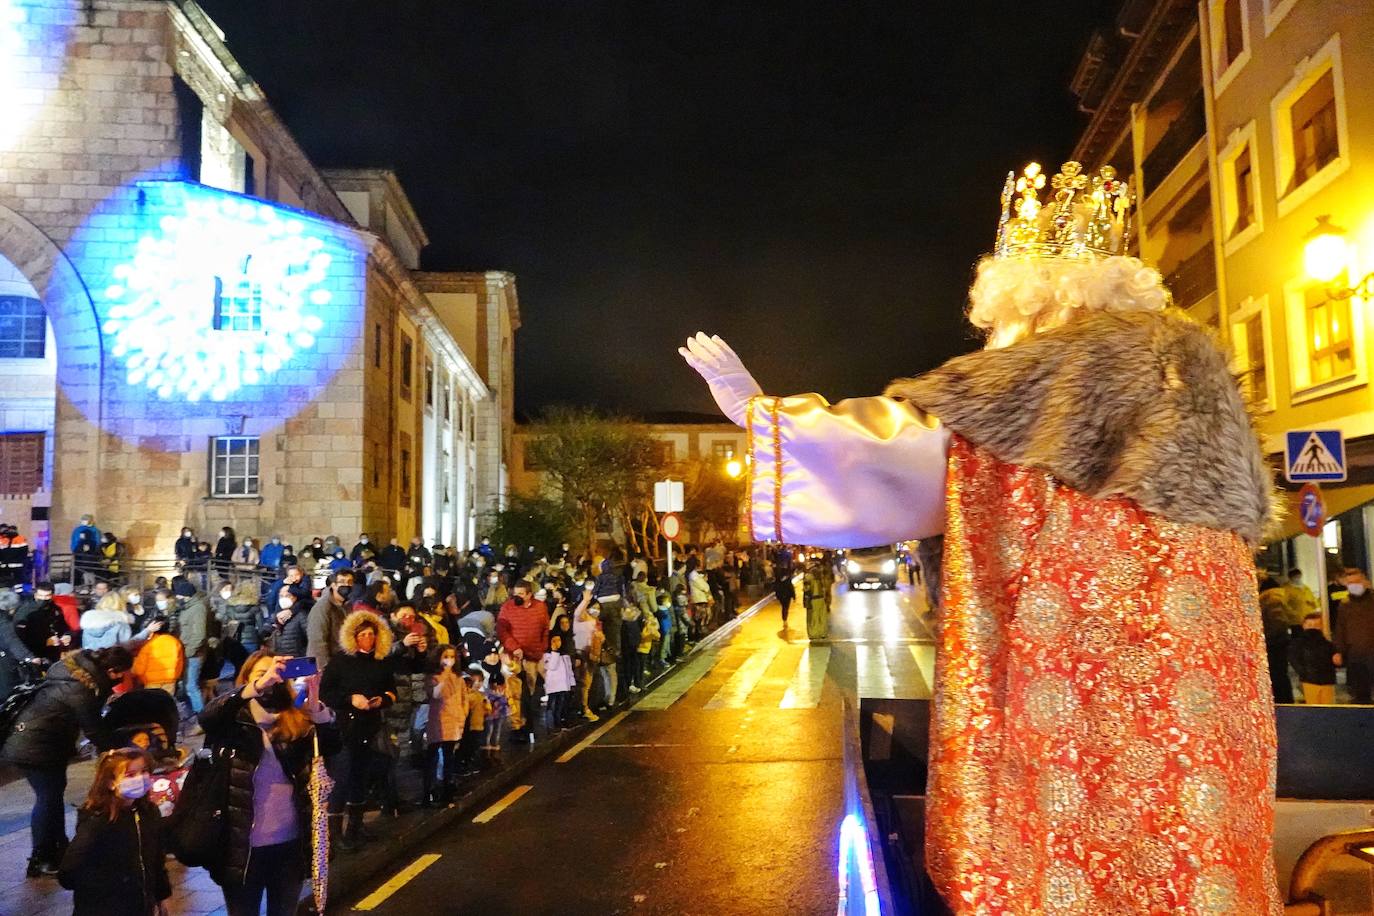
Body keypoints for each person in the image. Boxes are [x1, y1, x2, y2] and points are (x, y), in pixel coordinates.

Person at [679, 160, 1281, 912]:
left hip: (1064, 705)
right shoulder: (1199, 390)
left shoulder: (1055, 378)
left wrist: (763, 413)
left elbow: (919, 450)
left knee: (1062, 857)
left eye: (1000, 320)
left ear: (1033, 303)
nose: (996, 336)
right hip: (1197, 722)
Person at [199, 651, 338, 916]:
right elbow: (206, 716)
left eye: (275, 674)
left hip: (289, 847)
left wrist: (317, 709)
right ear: (247, 679)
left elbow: (333, 746)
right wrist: (257, 686)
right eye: (261, 674)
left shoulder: (296, 714)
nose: (269, 680)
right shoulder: (233, 718)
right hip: (243, 848)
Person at [1, 646, 133, 877]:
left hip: (35, 741)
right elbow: (94, 731)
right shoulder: (80, 689)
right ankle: (41, 858)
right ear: (112, 670)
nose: (121, 679)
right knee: (48, 798)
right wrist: (120, 751)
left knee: (52, 795)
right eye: (120, 674)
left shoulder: (72, 670)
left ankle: (59, 848)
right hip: (36, 746)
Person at [58, 747, 171, 916]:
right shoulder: (98, 821)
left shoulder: (148, 812)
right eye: (130, 775)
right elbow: (69, 871)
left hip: (141, 907)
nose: (140, 778)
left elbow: (155, 859)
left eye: (144, 771)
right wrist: (102, 889)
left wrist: (161, 896)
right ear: (110, 782)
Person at [319, 610, 395, 850]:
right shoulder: (341, 661)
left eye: (372, 634)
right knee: (342, 778)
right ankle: (334, 834)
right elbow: (326, 693)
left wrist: (382, 700)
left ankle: (355, 827)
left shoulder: (381, 661)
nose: (368, 639)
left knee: (361, 778)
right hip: (345, 728)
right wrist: (350, 699)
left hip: (370, 727)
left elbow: (391, 690)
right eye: (363, 634)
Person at [495, 580, 549, 740]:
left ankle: (527, 724)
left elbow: (545, 629)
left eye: (521, 594)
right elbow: (501, 629)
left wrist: (542, 648)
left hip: (533, 656)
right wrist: (514, 646)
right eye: (515, 593)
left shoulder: (540, 607)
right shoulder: (507, 607)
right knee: (514, 692)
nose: (516, 597)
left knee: (529, 693)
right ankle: (517, 726)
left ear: (529, 595)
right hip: (514, 656)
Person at [423, 645, 467, 806]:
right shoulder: (433, 677)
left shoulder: (459, 678)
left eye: (452, 656)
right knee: (433, 758)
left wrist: (462, 717)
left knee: (449, 758)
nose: (449, 660)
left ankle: (447, 792)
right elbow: (436, 694)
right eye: (445, 656)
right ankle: (429, 792)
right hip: (438, 722)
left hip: (454, 722)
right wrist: (446, 674)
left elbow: (464, 700)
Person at [1335, 567, 1374, 705]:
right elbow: (1340, 629)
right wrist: (1338, 651)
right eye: (1350, 583)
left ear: (1365, 581)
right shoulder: (1345, 604)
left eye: (1356, 581)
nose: (1354, 586)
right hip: (1356, 655)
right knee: (1360, 693)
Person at [306, 569, 356, 675]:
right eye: (342, 582)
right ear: (333, 585)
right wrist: (326, 670)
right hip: (325, 666)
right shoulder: (322, 607)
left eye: (350, 582)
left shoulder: (348, 605)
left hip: (342, 663)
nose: (346, 585)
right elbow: (317, 641)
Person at [15, 581, 73, 664]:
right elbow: (19, 637)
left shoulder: (55, 609)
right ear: (35, 594)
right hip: (34, 655)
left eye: (47, 596)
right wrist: (45, 641)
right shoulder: (25, 611)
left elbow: (63, 626)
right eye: (40, 595)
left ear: (52, 595)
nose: (43, 599)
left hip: (53, 653)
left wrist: (67, 635)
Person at [1289, 612, 1338, 705]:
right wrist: (1304, 672)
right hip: (1311, 681)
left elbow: (1334, 659)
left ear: (1321, 626)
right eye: (1310, 625)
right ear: (1304, 626)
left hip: (1325, 681)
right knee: (1314, 706)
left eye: (1316, 625)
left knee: (1326, 707)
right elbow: (1294, 659)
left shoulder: (1327, 644)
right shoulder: (1299, 643)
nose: (1313, 628)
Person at [542, 634, 575, 730]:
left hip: (564, 685)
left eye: (559, 640)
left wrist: (572, 683)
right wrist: (554, 652)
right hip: (554, 686)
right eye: (554, 640)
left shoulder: (565, 655)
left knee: (561, 705)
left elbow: (569, 670)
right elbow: (552, 666)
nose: (557, 643)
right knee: (552, 706)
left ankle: (560, 722)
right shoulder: (547, 655)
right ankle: (551, 725)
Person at [460, 670, 489, 772]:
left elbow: (488, 710)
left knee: (475, 745)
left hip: (479, 724)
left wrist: (486, 703)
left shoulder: (480, 695)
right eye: (475, 681)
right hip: (470, 726)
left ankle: (470, 762)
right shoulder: (468, 696)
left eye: (480, 681)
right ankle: (466, 762)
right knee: (469, 745)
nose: (477, 683)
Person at [774, 566, 796, 631]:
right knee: (786, 607)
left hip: (781, 596)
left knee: (784, 607)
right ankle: (785, 619)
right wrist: (793, 596)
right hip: (787, 596)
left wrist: (777, 596)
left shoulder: (778, 580)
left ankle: (784, 619)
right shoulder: (788, 580)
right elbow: (791, 588)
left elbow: (776, 588)